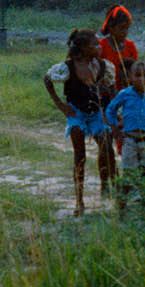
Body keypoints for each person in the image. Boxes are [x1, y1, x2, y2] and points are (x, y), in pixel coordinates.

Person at [44, 29, 114, 215]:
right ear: (83, 48)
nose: (99, 47)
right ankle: (79, 200)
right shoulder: (67, 67)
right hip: (77, 113)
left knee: (107, 145)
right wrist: (60, 104)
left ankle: (105, 185)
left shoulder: (102, 65)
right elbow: (47, 79)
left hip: (97, 112)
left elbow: (112, 87)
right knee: (80, 156)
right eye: (94, 45)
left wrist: (111, 111)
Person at [105, 60, 145, 205]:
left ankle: (144, 201)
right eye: (137, 75)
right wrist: (114, 128)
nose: (140, 79)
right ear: (130, 78)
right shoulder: (125, 94)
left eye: (144, 76)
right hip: (130, 140)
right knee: (129, 172)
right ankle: (122, 204)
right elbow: (110, 109)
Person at [99, 4, 138, 91]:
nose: (125, 32)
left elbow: (136, 71)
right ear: (111, 27)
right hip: (106, 95)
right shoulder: (101, 46)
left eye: (127, 28)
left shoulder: (131, 46)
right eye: (121, 28)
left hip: (127, 93)